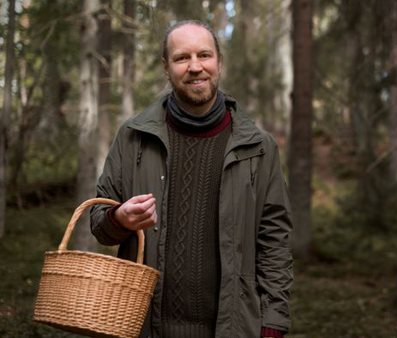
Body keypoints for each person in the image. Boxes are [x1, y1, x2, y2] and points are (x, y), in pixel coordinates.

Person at [90, 20, 293, 338]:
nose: (195, 67)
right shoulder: (134, 138)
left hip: (231, 328)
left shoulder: (258, 146)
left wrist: (274, 322)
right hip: (146, 327)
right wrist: (119, 218)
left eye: (204, 55)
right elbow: (99, 223)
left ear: (219, 62)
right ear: (166, 67)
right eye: (182, 57)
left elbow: (275, 242)